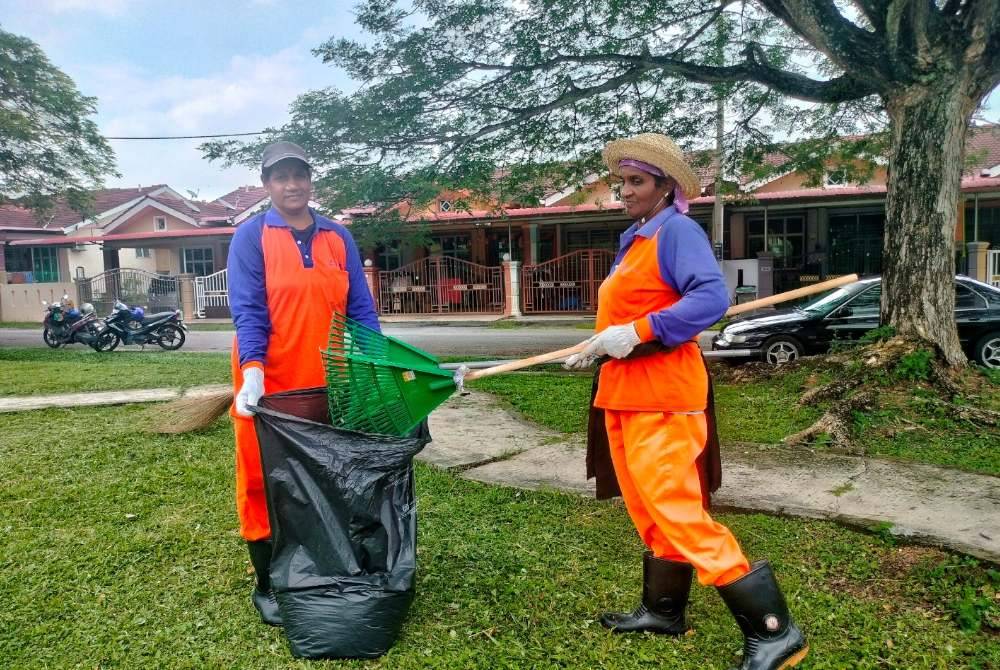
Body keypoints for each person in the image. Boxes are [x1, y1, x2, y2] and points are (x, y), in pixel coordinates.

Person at [564, 133, 807, 670]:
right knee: (648, 509)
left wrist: (640, 330)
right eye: (621, 182)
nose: (623, 192)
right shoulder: (637, 239)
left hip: (665, 397)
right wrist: (598, 344)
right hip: (624, 394)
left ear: (665, 186)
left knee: (676, 509)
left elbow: (711, 299)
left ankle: (777, 630)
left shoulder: (677, 230)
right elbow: (630, 316)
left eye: (636, 182)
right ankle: (664, 610)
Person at [227, 140, 380, 626]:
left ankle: (323, 562)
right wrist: (252, 371)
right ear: (266, 184)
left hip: (328, 377)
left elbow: (360, 309)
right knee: (261, 477)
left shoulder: (337, 237)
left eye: (299, 174)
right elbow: (249, 310)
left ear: (312, 180)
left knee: (325, 472)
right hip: (268, 381)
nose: (291, 184)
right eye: (280, 176)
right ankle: (267, 580)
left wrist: (372, 362)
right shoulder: (251, 237)